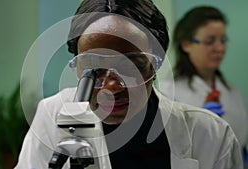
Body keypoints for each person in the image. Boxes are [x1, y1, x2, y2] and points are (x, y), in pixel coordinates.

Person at [15, 1, 243, 169]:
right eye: (94, 66)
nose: (111, 87)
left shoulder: (212, 135)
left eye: (131, 66)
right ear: (76, 67)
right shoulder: (53, 114)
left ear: (155, 65)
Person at [161, 6, 248, 155]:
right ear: (186, 44)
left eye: (223, 40)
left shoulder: (231, 91)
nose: (219, 48)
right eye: (210, 41)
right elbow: (166, 149)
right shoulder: (167, 92)